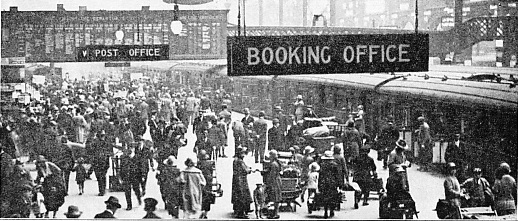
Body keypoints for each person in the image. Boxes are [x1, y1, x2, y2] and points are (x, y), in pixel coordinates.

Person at [318, 150, 342, 219]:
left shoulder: (322, 165)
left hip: (324, 183)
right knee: (333, 197)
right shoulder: (334, 165)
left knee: (325, 197)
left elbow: (321, 176)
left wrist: (319, 185)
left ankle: (325, 211)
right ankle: (331, 210)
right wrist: (339, 184)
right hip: (332, 183)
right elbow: (337, 175)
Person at [232, 147, 254, 219]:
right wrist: (250, 170)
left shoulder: (237, 160)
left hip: (237, 179)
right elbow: (245, 170)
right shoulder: (239, 161)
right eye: (242, 153)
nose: (244, 155)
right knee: (242, 195)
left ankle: (242, 209)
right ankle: (241, 213)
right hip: (241, 180)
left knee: (238, 195)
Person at [261, 150, 282, 219]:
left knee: (275, 198)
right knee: (276, 198)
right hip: (277, 181)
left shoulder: (273, 164)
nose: (269, 157)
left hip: (274, 182)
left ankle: (274, 214)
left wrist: (268, 183)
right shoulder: (275, 163)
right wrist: (265, 171)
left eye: (270, 156)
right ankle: (275, 213)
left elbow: (272, 175)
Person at [120, 144, 142, 210]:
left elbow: (140, 168)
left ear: (134, 149)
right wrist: (121, 176)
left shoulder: (137, 157)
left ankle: (139, 199)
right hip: (126, 176)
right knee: (127, 191)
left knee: (136, 190)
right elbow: (121, 167)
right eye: (129, 147)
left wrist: (141, 177)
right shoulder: (123, 157)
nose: (130, 149)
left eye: (132, 148)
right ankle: (129, 205)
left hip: (135, 177)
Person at [91, 130, 112, 196]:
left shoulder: (106, 143)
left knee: (101, 176)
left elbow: (110, 152)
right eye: (101, 136)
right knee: (100, 177)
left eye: (103, 136)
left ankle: (102, 190)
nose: (102, 137)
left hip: (103, 162)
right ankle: (102, 190)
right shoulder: (95, 143)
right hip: (98, 162)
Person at [197, 152, 214, 219]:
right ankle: (206, 212)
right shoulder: (210, 163)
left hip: (201, 182)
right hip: (208, 182)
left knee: (201, 196)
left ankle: (201, 211)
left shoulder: (199, 163)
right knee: (207, 197)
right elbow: (212, 172)